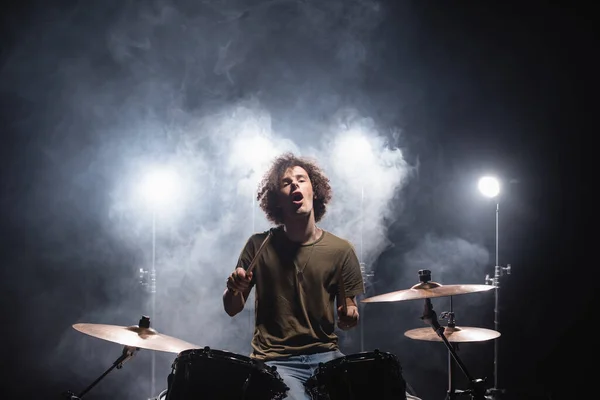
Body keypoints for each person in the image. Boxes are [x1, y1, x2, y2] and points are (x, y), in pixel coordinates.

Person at [223, 152, 364, 399]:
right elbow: (232, 307)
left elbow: (348, 312)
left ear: (315, 190)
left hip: (327, 357)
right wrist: (234, 288)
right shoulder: (259, 245)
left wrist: (350, 315)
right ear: (278, 200)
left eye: (301, 179)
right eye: (286, 183)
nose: (295, 185)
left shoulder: (342, 250)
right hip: (275, 360)